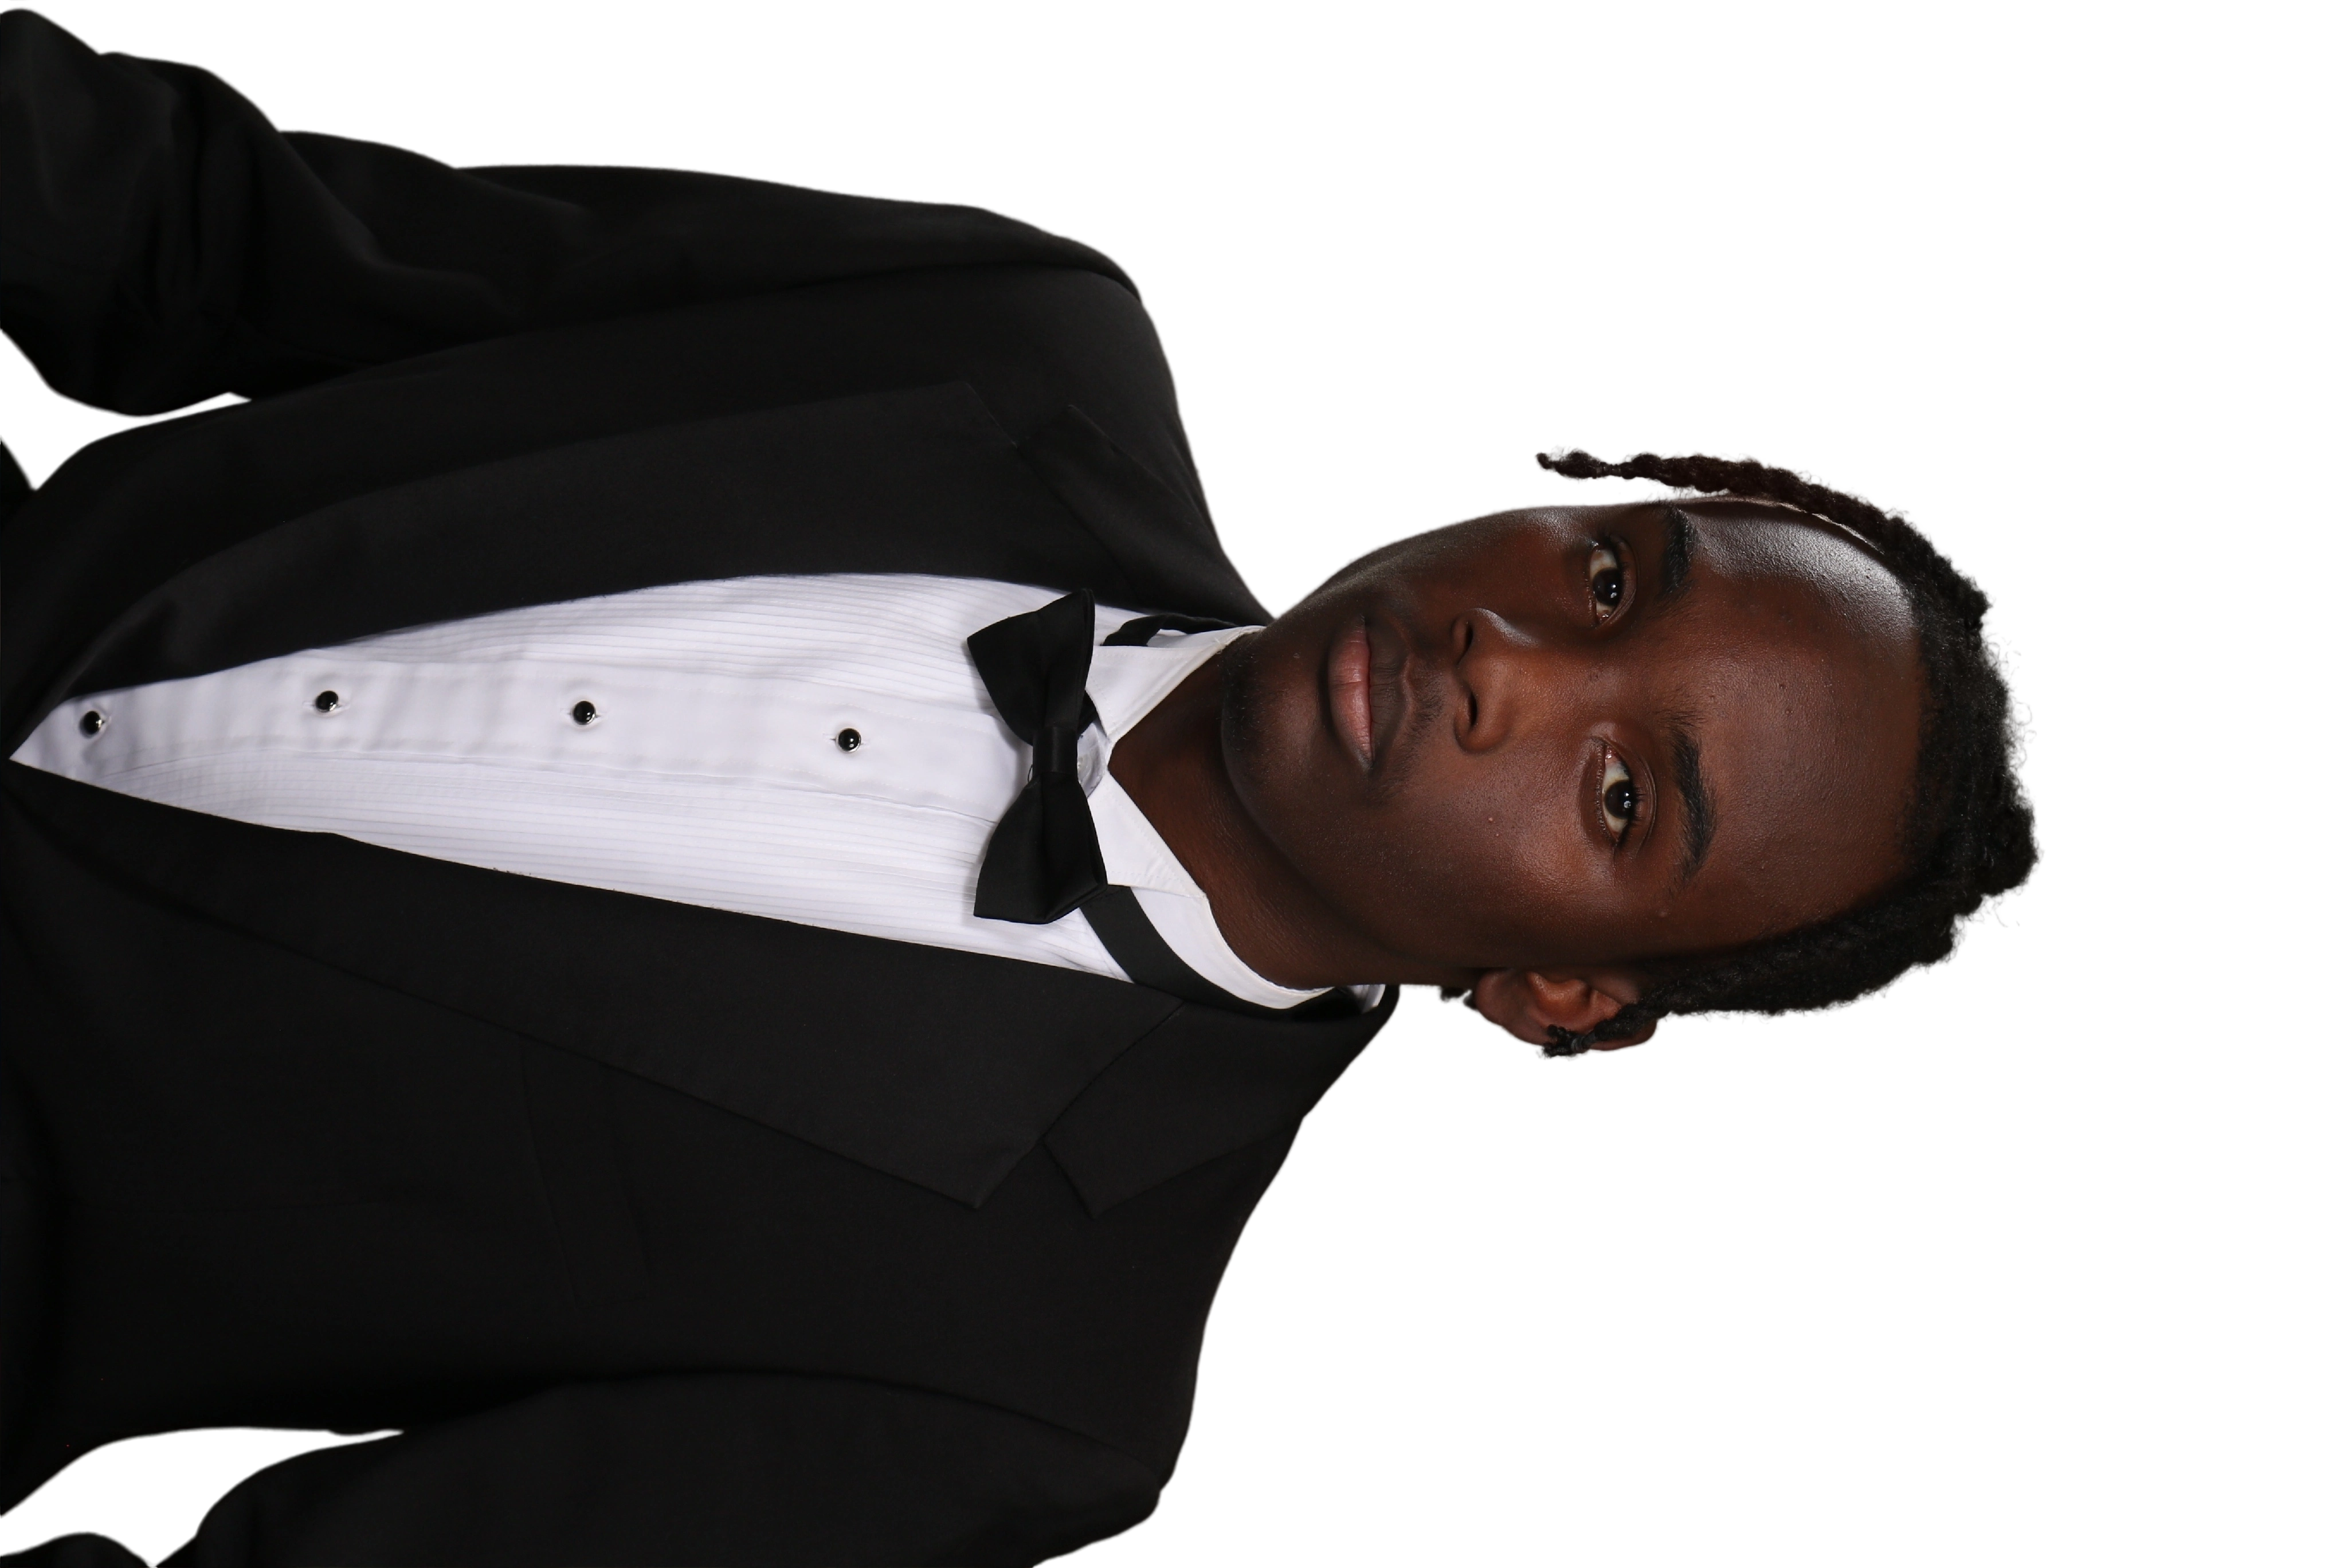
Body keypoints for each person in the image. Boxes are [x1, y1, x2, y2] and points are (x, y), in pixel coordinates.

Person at [0, 5, 2042, 1563]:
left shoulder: (1035, 1380)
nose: (1509, 662)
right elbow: (210, 233)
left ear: (1563, 995)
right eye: (1608, 580)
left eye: (1624, 800)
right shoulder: (1016, 335)